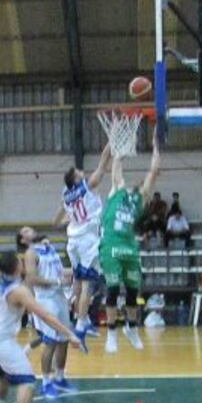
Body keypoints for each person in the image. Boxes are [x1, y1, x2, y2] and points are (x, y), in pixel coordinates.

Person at [0, 251, 82, 403]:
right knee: (28, 381)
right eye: (20, 261)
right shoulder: (18, 291)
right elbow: (45, 315)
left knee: (4, 374)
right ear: (17, 267)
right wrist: (69, 334)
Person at [100, 135, 162, 353]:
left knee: (134, 292)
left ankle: (131, 328)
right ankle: (112, 333)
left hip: (129, 248)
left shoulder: (140, 199)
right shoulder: (117, 190)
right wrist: (120, 150)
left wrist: (156, 148)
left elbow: (154, 173)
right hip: (111, 246)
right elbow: (116, 168)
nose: (136, 184)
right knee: (113, 289)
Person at [54, 143, 112, 343]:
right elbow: (103, 165)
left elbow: (56, 221)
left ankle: (82, 318)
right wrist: (112, 140)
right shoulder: (85, 186)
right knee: (88, 282)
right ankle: (80, 323)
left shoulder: (66, 195)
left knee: (78, 280)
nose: (81, 171)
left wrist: (74, 219)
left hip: (73, 241)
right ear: (76, 179)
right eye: (78, 172)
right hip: (87, 240)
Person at [21, 227, 77, 399]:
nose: (31, 230)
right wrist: (57, 281)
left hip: (59, 296)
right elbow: (32, 278)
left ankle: (60, 377)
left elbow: (60, 271)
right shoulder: (30, 253)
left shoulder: (50, 248)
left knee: (64, 341)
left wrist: (76, 271)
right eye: (26, 231)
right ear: (23, 240)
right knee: (50, 342)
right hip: (45, 300)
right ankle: (46, 383)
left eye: (31, 229)